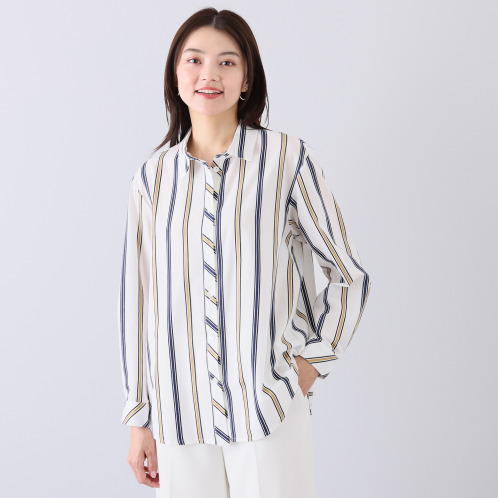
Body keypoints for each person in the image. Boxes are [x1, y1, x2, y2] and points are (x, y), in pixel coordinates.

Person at [117, 7, 372, 498]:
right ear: (175, 75)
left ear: (247, 79)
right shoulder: (152, 178)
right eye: (194, 60)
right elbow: (138, 302)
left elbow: (349, 276)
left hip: (268, 412)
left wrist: (307, 368)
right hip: (178, 419)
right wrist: (138, 418)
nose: (209, 74)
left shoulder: (286, 160)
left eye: (227, 62)